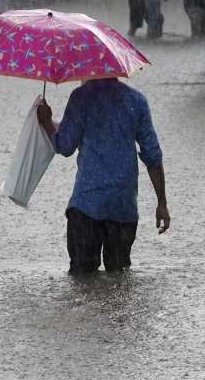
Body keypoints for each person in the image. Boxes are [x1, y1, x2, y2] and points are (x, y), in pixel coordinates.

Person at [37, 78, 170, 273]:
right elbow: (153, 156)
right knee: (118, 276)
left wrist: (47, 122)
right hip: (122, 205)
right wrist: (162, 204)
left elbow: (64, 145)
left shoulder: (81, 97)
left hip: (87, 204)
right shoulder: (137, 101)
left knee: (82, 277)